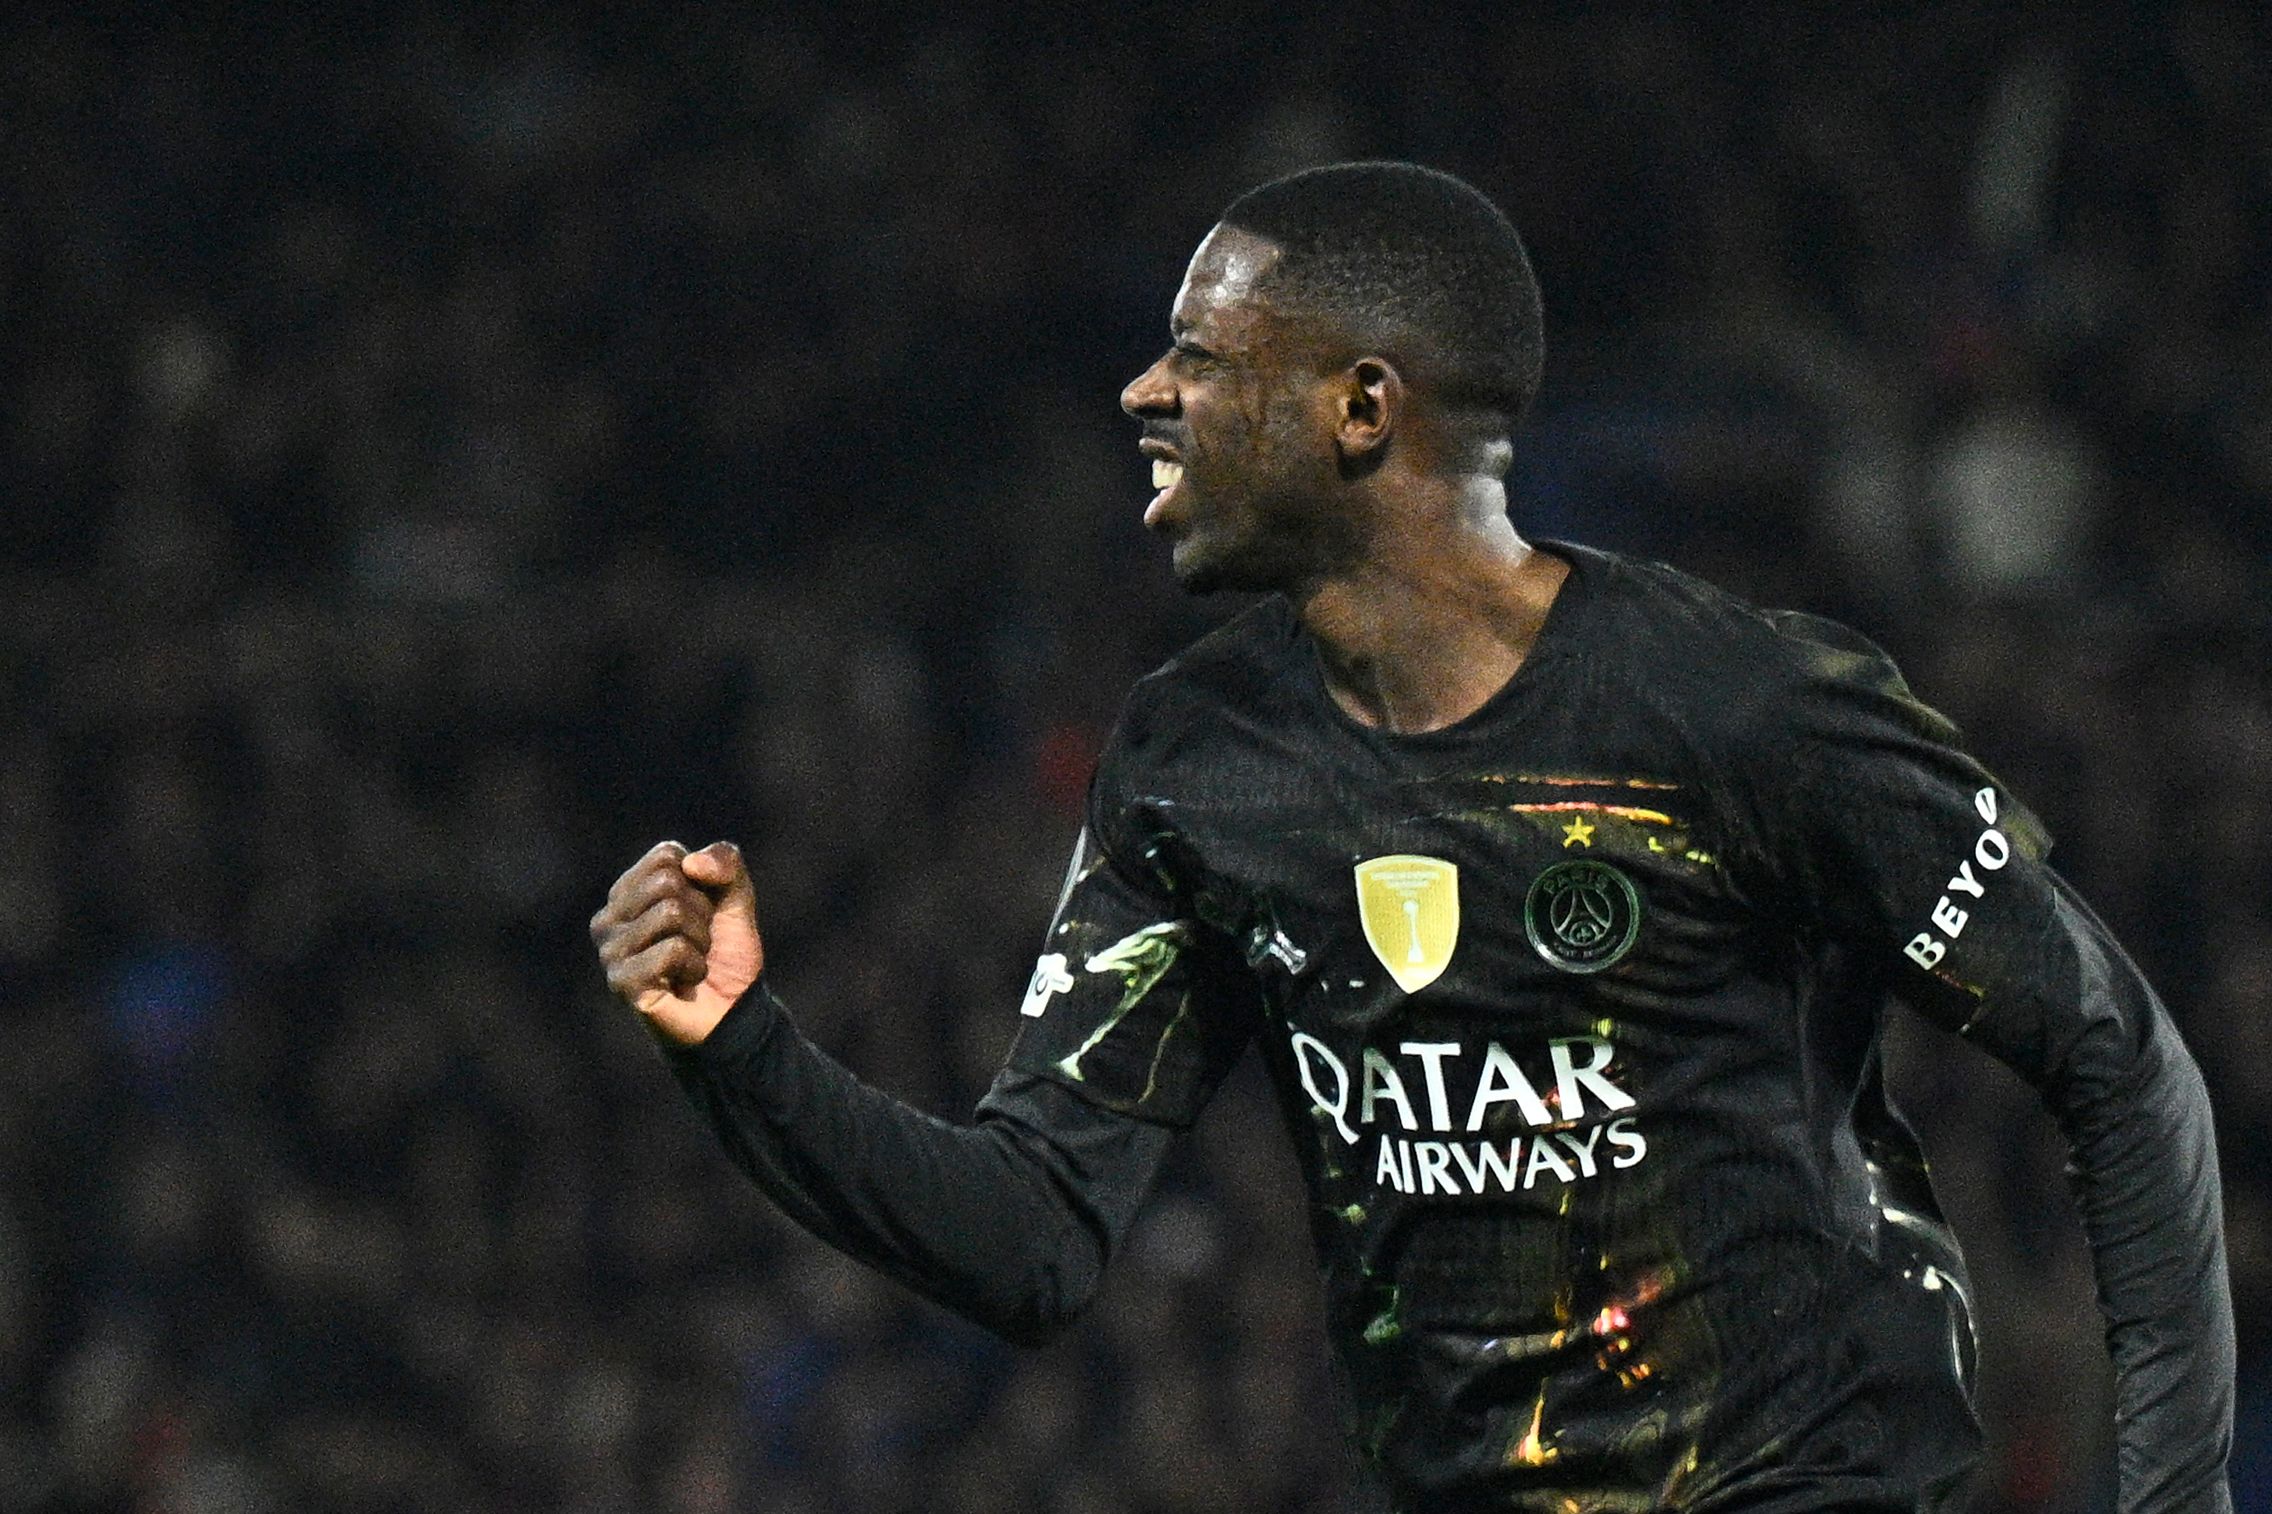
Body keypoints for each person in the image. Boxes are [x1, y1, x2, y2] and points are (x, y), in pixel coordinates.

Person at [589, 162, 2233, 1512]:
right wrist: (744, 1048)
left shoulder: (1744, 712)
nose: (1143, 390)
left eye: (1203, 359)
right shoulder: (1197, 762)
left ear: (1360, 406)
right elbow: (1032, 1234)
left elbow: (2119, 1059)